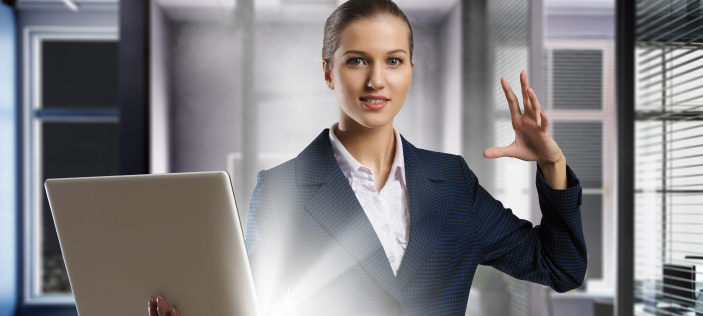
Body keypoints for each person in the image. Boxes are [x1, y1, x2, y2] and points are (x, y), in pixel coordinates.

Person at [148, 0, 587, 315]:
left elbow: (561, 268)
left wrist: (552, 165)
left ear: (411, 70)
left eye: (393, 61)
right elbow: (248, 306)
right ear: (328, 72)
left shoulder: (452, 181)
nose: (377, 79)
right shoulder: (282, 188)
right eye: (357, 60)